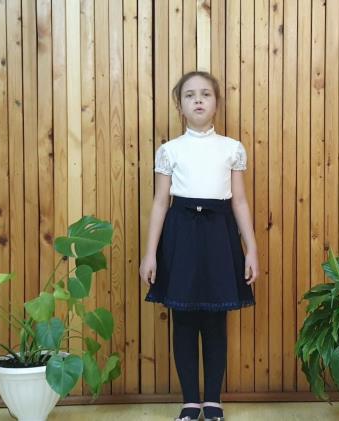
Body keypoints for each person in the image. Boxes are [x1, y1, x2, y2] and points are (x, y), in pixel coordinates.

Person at [139, 71, 259, 421]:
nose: (198, 100)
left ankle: (213, 400)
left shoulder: (232, 149)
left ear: (216, 103)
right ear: (180, 105)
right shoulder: (170, 151)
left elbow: (239, 201)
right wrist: (150, 254)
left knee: (216, 319)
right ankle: (191, 401)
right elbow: (160, 203)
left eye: (205, 94)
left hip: (220, 234)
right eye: (190, 95)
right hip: (181, 236)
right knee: (184, 320)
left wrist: (251, 249)